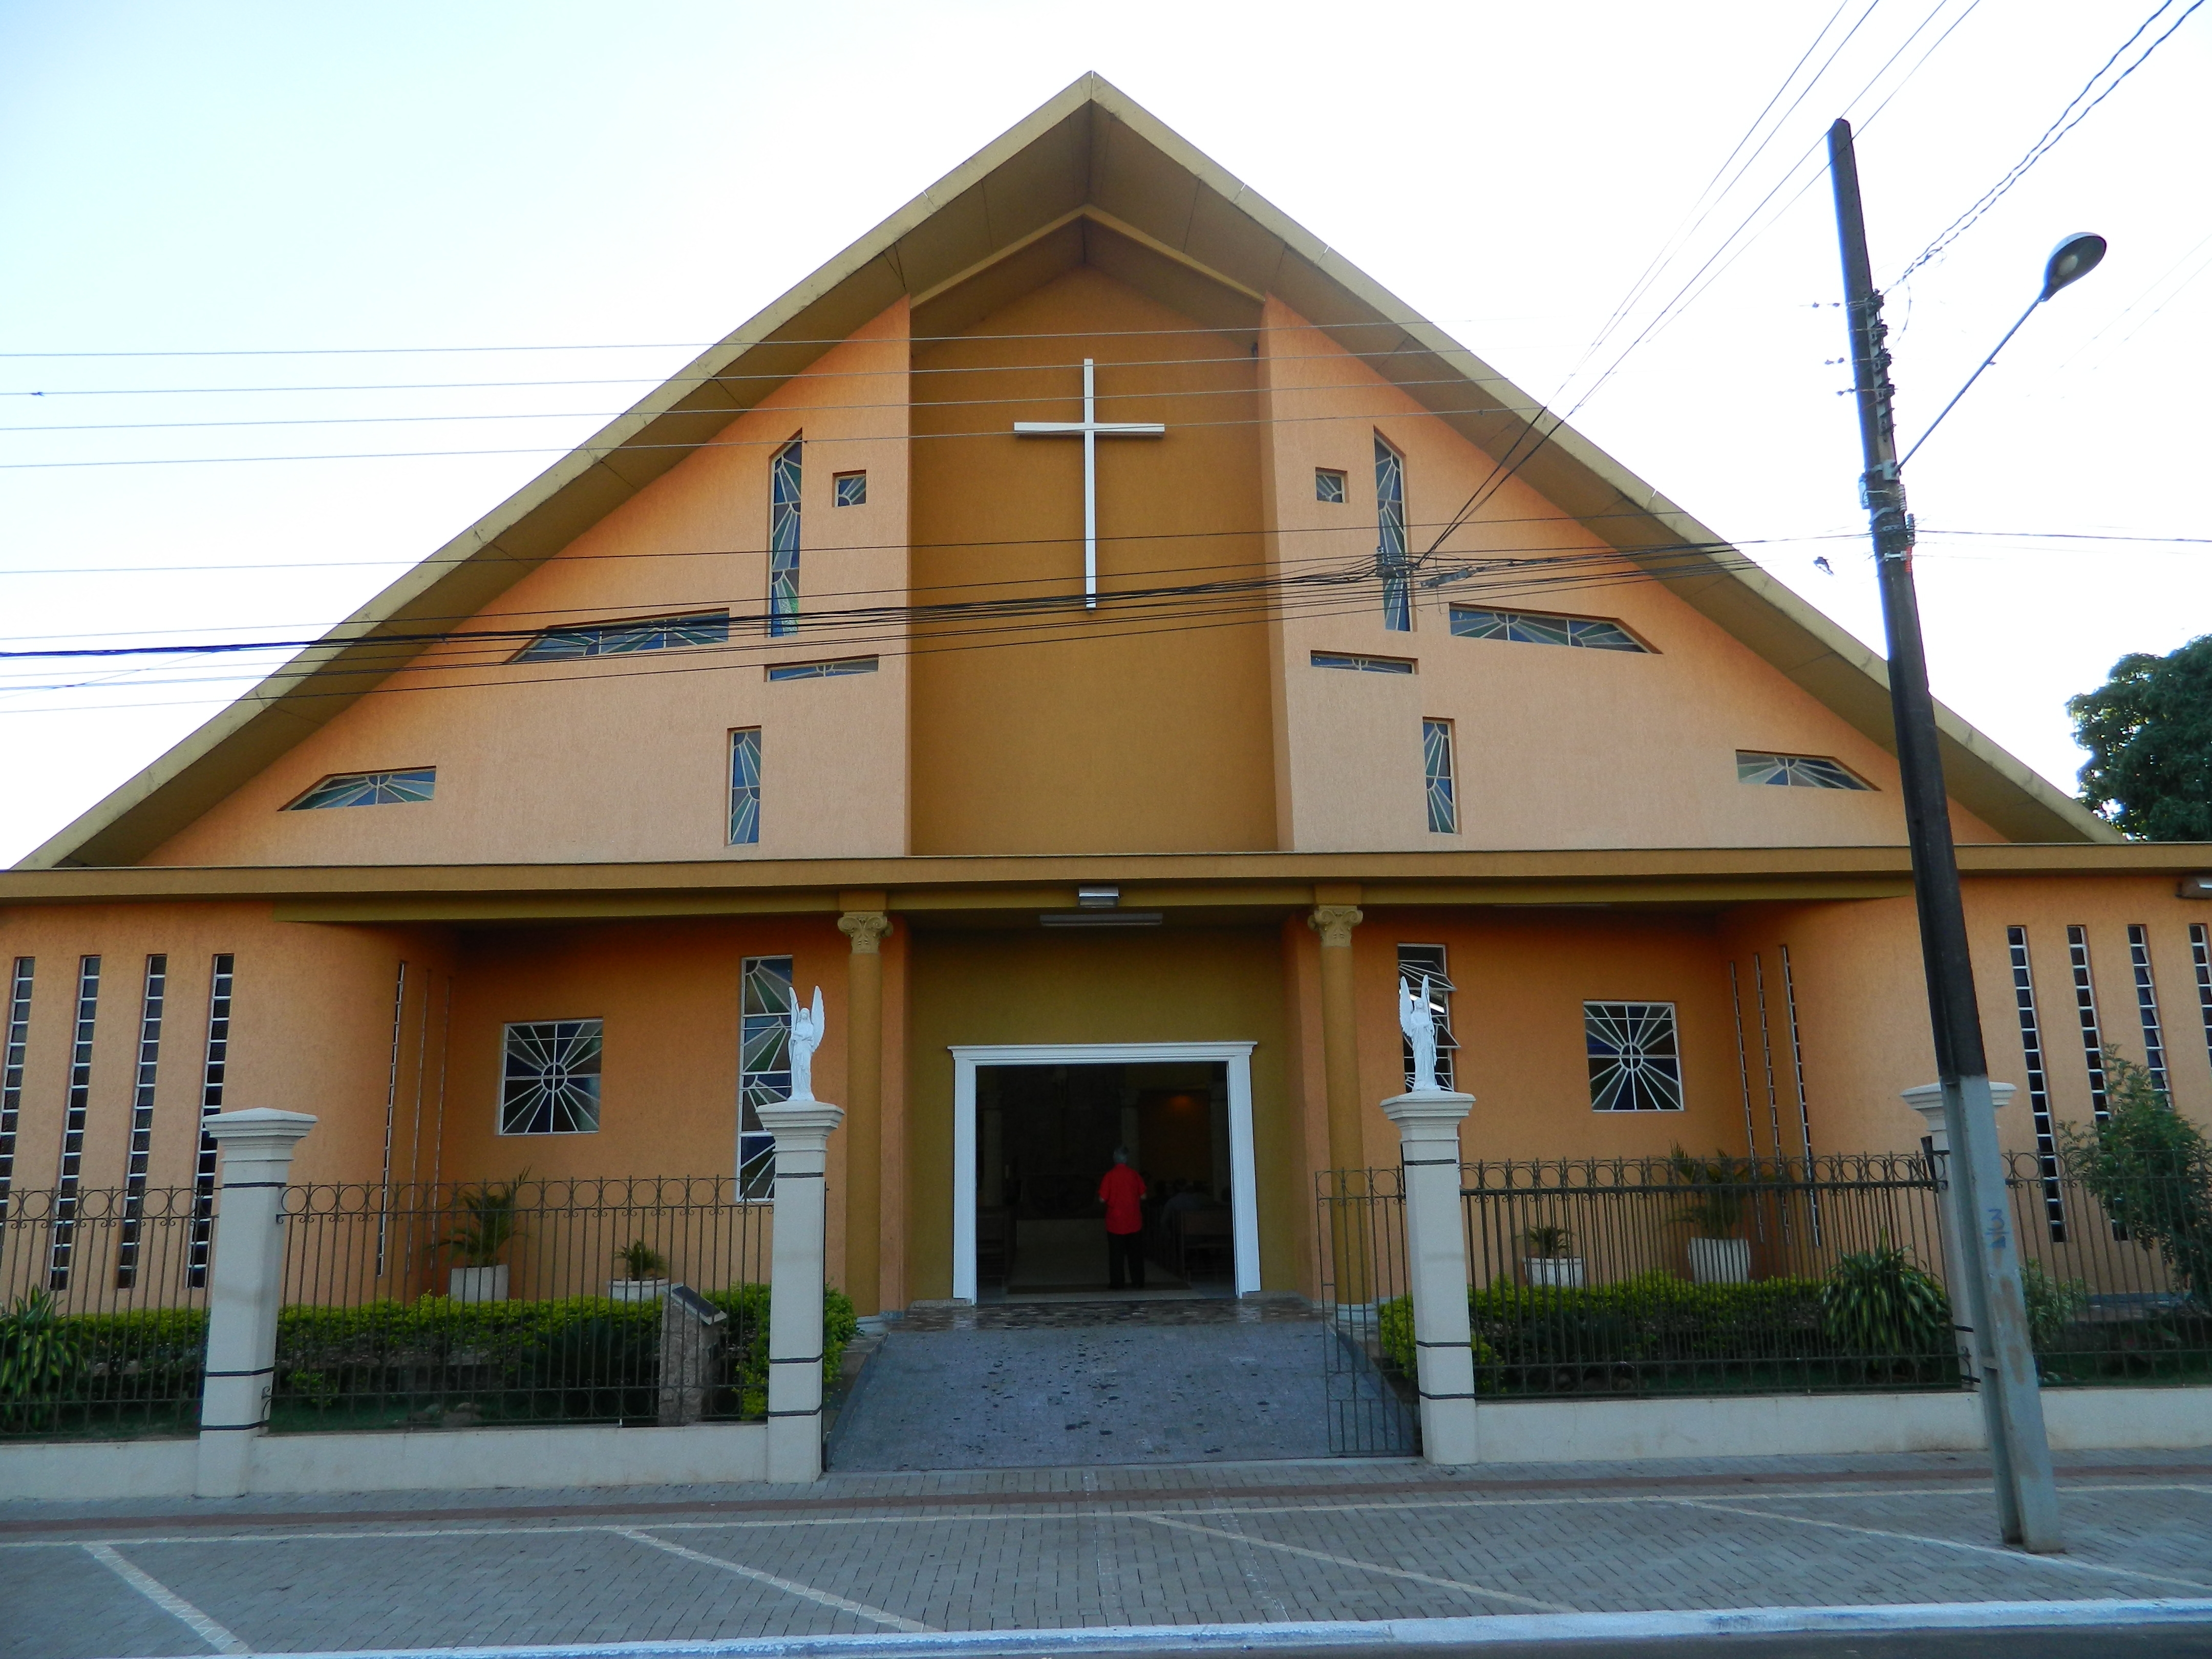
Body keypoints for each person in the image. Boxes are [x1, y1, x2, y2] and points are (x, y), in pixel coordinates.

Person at [1098, 1148, 1148, 1290]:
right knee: (1136, 1254)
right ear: (1127, 1159)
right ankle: (1138, 1281)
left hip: (1115, 1222)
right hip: (1134, 1220)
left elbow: (1102, 1198)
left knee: (1116, 1255)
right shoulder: (1134, 1175)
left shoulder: (1110, 1176)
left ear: (1115, 1160)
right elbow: (1144, 1196)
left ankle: (1117, 1282)